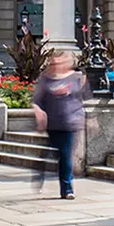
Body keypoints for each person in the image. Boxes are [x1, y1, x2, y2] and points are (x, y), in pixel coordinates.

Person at [31, 49, 87, 199]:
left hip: (70, 121)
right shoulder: (46, 79)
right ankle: (39, 173)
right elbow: (36, 100)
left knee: (65, 155)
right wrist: (38, 112)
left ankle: (67, 189)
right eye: (55, 63)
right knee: (52, 153)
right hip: (52, 122)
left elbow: (83, 97)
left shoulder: (77, 77)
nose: (58, 65)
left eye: (61, 62)